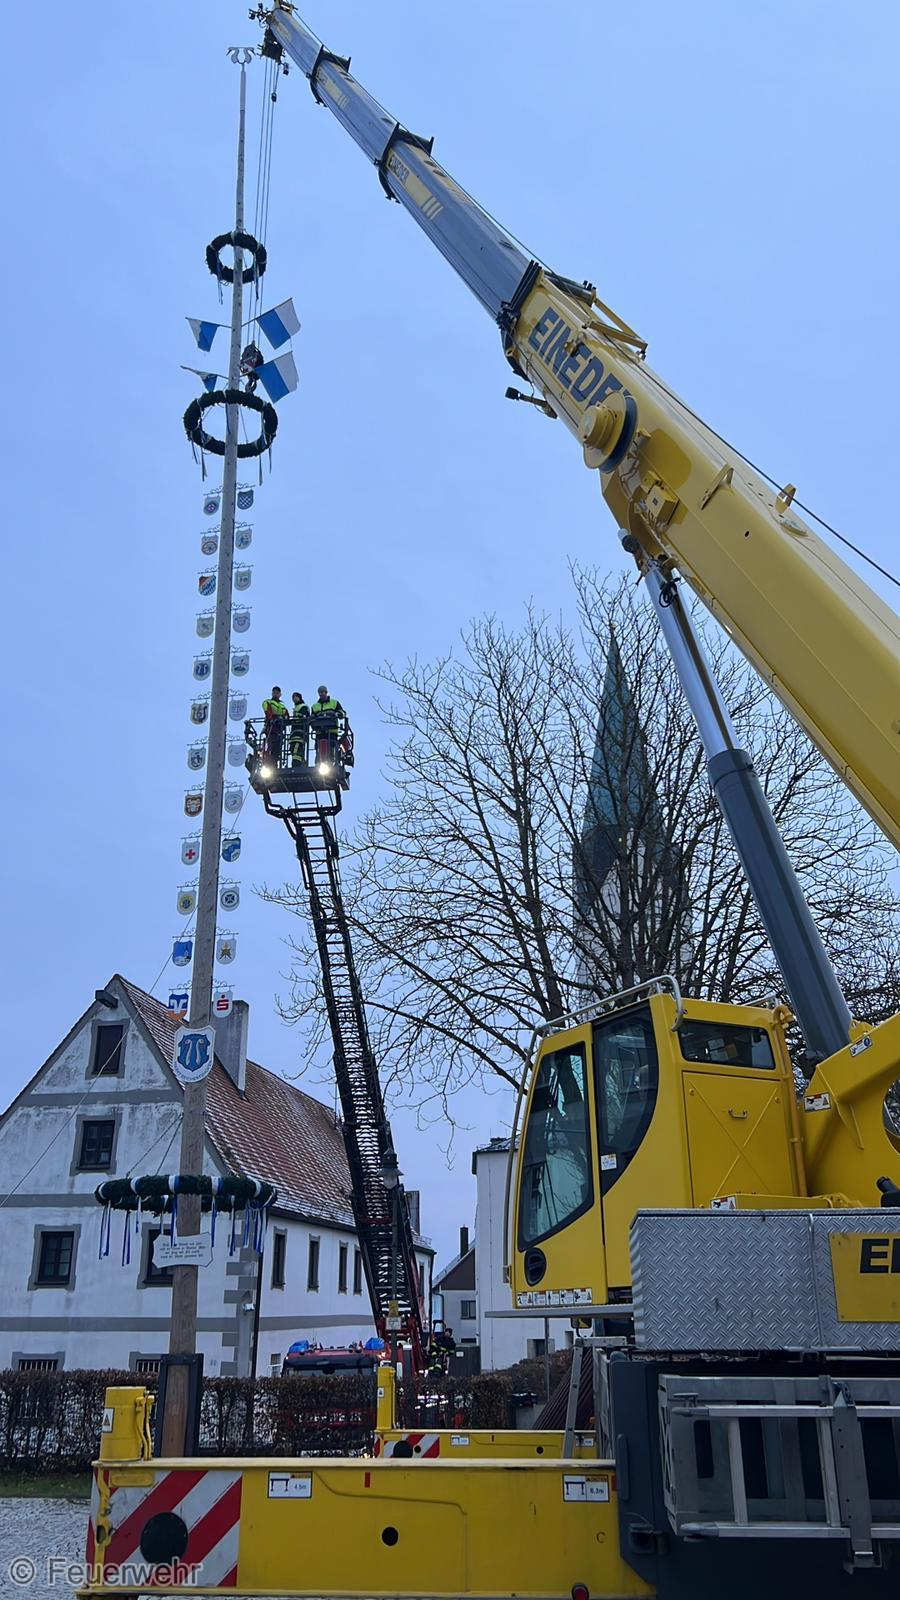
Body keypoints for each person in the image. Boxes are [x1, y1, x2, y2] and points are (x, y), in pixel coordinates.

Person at [310, 685, 346, 766]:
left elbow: (343, 713)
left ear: (326, 692)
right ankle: (318, 765)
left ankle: (330, 764)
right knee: (319, 750)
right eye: (320, 693)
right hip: (320, 733)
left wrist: (338, 714)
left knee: (331, 749)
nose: (322, 694)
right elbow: (311, 718)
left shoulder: (334, 703)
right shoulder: (315, 706)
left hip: (331, 732)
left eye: (323, 692)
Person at [262, 687, 289, 767]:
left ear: (280, 694)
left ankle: (275, 763)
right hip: (271, 727)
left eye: (277, 693)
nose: (275, 694)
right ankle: (270, 763)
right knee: (271, 745)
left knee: (278, 747)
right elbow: (267, 711)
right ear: (272, 693)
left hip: (279, 729)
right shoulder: (268, 702)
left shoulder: (282, 706)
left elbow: (287, 715)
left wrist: (284, 719)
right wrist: (271, 719)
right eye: (274, 693)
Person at [289, 691, 309, 767]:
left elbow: (305, 717)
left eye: (295, 697)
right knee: (293, 749)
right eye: (293, 697)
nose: (294, 699)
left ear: (299, 697)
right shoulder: (296, 707)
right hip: (294, 733)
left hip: (300, 732)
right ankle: (302, 762)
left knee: (297, 750)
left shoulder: (303, 706)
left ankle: (296, 764)